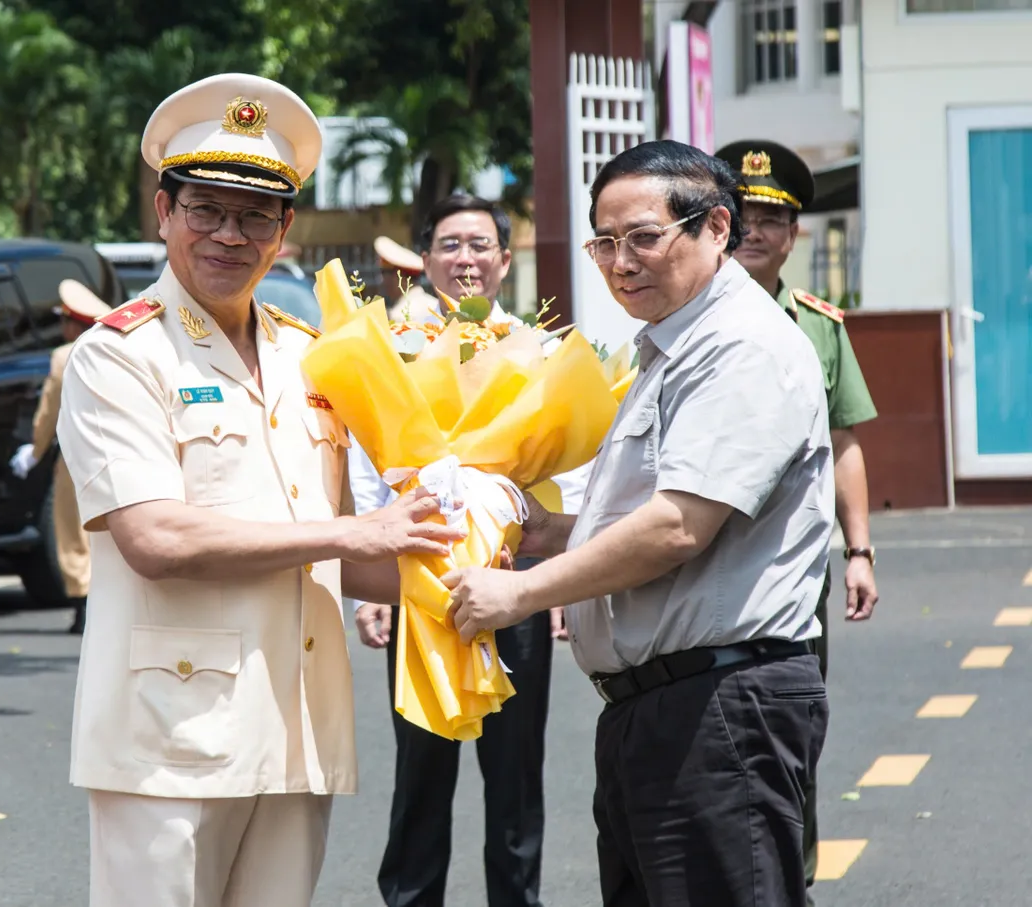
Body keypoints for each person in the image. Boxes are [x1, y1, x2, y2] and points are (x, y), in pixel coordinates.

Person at [55, 73, 463, 907]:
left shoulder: (310, 354)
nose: (227, 234)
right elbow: (159, 540)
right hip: (170, 741)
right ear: (163, 212)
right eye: (204, 207)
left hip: (295, 728)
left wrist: (497, 561)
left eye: (254, 216)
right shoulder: (120, 356)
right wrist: (354, 537)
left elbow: (353, 549)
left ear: (284, 232)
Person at [445, 141, 834, 907]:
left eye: (644, 237)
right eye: (604, 242)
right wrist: (536, 526)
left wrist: (522, 594)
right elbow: (632, 515)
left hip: (718, 705)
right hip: (659, 708)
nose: (621, 262)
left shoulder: (742, 348)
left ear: (716, 227)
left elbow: (677, 527)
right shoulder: (665, 347)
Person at [352, 194, 580, 907]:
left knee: (515, 774)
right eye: (450, 246)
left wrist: (560, 583)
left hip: (514, 586)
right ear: (426, 260)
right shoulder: (395, 346)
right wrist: (369, 587)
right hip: (420, 585)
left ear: (506, 261)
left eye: (481, 245)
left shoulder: (536, 348)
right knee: (421, 770)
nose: (466, 259)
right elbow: (368, 465)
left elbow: (567, 473)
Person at [715, 139, 880, 904]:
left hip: (793, 570)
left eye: (772, 218)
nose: (756, 229)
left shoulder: (819, 327)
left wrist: (860, 549)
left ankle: (794, 876)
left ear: (794, 232)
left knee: (793, 727)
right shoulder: (685, 318)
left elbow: (845, 443)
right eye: (743, 215)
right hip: (703, 565)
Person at [9, 280, 112, 634]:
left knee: (73, 531)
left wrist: (35, 452)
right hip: (120, 454)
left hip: (78, 456)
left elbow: (49, 413)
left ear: (73, 323)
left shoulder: (64, 356)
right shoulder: (120, 348)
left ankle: (83, 605)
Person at [374, 235, 437, 322]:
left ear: (398, 276)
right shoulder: (436, 305)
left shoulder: (399, 316)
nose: (381, 280)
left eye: (384, 272)